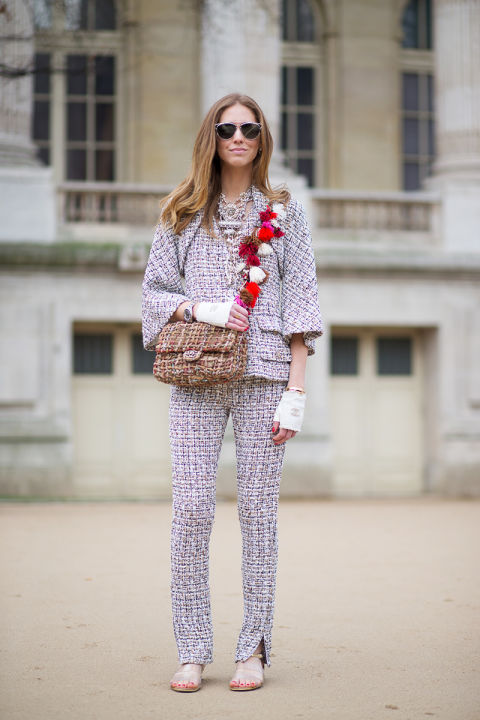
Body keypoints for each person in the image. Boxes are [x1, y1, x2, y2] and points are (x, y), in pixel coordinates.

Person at [142, 93, 323, 692]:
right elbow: (153, 298)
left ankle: (254, 650)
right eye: (227, 128)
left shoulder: (285, 212)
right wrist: (205, 306)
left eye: (250, 128)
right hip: (195, 376)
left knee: (257, 513)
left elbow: (300, 301)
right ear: (211, 137)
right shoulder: (181, 212)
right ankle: (192, 649)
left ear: (262, 138)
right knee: (191, 510)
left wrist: (296, 390)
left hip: (267, 375)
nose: (239, 137)